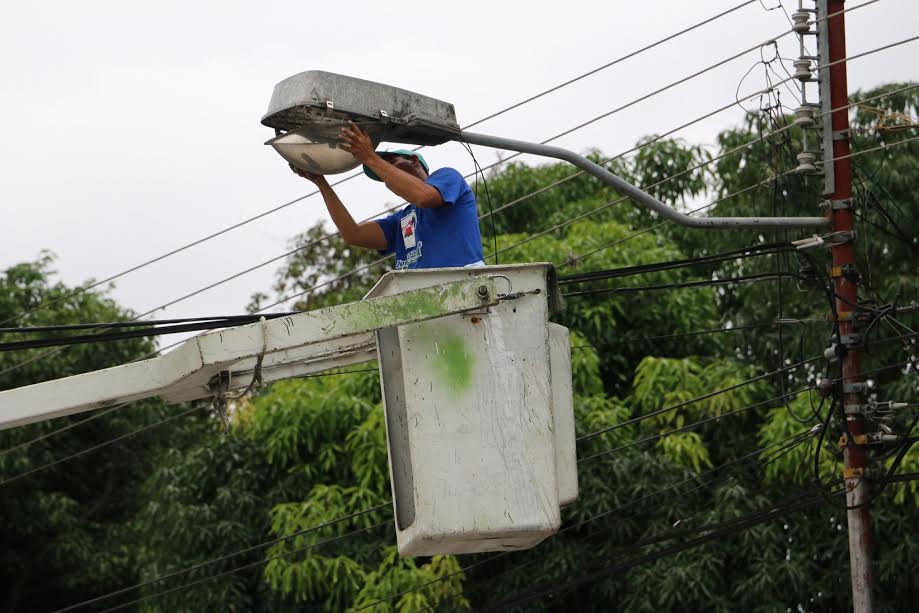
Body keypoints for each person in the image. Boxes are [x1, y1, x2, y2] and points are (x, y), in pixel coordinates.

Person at [290, 122, 485, 270]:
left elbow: (424, 196)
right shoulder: (401, 220)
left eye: (391, 162)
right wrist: (321, 183)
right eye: (382, 173)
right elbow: (353, 234)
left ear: (414, 160)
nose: (386, 173)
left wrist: (370, 157)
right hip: (423, 301)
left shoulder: (447, 177)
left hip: (465, 287)